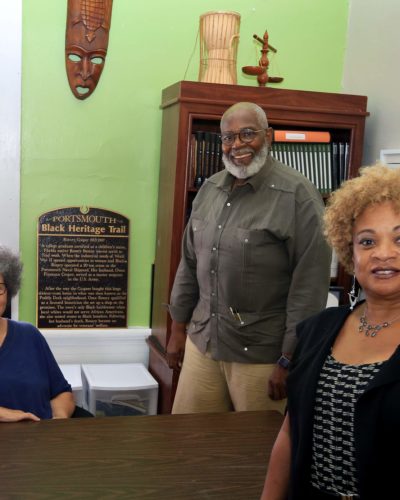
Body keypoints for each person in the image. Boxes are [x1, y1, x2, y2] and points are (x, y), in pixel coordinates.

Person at [166, 102, 331, 414]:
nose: (237, 145)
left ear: (267, 136)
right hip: (203, 343)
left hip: (262, 355)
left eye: (247, 134)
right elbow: (188, 263)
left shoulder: (298, 196)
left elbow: (309, 287)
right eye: (228, 138)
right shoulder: (209, 190)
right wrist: (177, 329)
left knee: (255, 454)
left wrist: (289, 358)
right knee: (188, 446)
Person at [261, 164, 400, 499]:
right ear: (350, 252)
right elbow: (290, 432)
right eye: (367, 241)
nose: (383, 253)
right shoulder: (318, 330)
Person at [0, 246, 75, 422]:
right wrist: (6, 414)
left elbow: (62, 392)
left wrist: (59, 419)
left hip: (42, 443)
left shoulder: (30, 335)